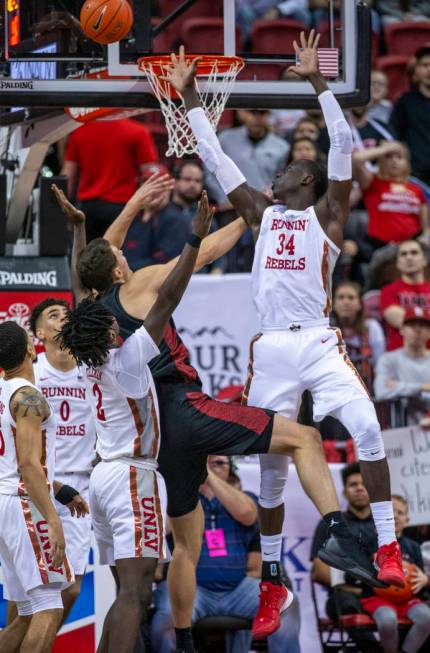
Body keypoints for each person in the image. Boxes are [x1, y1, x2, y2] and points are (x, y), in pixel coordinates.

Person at [54, 176, 379, 653]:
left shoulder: (90, 313)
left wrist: (83, 228)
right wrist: (249, 222)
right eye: (120, 255)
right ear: (119, 272)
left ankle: (183, 639)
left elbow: (87, 267)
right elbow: (193, 264)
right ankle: (337, 532)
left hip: (148, 449)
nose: (124, 253)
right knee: (305, 439)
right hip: (180, 415)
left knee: (185, 544)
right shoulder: (140, 290)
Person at [166, 34, 405, 639]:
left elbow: (345, 142)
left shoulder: (325, 217)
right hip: (272, 347)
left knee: (370, 427)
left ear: (308, 181)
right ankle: (272, 577)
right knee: (270, 471)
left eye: (293, 167)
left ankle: (386, 546)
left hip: (320, 342)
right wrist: (191, 96)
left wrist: (316, 83)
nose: (283, 168)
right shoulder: (261, 213)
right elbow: (218, 161)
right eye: (284, 167)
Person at [57, 192, 214, 653]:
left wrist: (78, 233)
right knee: (137, 592)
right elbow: (168, 295)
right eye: (108, 324)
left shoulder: (89, 352)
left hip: (104, 478)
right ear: (105, 334)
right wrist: (194, 237)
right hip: (132, 476)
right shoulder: (126, 357)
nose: (114, 323)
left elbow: (81, 294)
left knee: (124, 592)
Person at [150, 455, 301, 653]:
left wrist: (208, 474)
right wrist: (189, 482)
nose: (211, 466)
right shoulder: (181, 498)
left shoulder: (246, 498)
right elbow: (163, 528)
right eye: (206, 462)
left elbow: (248, 514)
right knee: (164, 620)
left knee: (286, 604)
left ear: (231, 469)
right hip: (193, 592)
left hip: (238, 590)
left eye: (219, 463)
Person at [0, 322, 74, 653]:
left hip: (5, 501)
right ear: (32, 348)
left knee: (27, 615)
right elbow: (28, 465)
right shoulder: (27, 395)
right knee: (50, 607)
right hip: (21, 503)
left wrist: (58, 488)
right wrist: (54, 520)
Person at [29, 298, 97, 622]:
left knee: (70, 588)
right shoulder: (32, 375)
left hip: (80, 484)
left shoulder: (92, 368)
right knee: (32, 589)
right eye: (53, 315)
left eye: (66, 314)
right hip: (39, 484)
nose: (62, 319)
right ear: (39, 332)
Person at [311, 463, 380, 652]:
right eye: (353, 484)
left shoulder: (386, 524)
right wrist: (357, 588)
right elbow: (319, 570)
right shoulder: (330, 524)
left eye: (364, 484)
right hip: (344, 597)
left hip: (385, 596)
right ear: (344, 492)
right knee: (345, 604)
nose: (359, 488)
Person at [61, 118, 159, 241]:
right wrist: (149, 207)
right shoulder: (137, 131)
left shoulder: (79, 132)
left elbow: (68, 176)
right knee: (120, 255)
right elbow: (150, 174)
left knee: (87, 257)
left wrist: (63, 210)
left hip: (88, 208)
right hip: (122, 207)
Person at [123, 161, 226, 273]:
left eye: (197, 181)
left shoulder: (181, 218)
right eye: (187, 179)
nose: (192, 184)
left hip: (189, 281)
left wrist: (217, 272)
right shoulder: (135, 216)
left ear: (169, 186)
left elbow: (165, 261)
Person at [360, 494, 430, 653]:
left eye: (400, 513)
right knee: (387, 620)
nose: (395, 517)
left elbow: (419, 573)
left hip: (407, 599)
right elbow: (357, 573)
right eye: (391, 513)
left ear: (407, 520)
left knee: (427, 617)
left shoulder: (413, 546)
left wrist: (425, 580)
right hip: (377, 597)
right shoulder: (370, 543)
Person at [352, 141, 429, 251]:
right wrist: (385, 149)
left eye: (399, 157)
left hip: (410, 247)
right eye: (389, 156)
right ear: (381, 161)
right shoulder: (372, 182)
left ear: (407, 163)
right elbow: (356, 160)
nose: (394, 160)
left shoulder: (417, 189)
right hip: (379, 246)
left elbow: (426, 229)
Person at [204, 109, 289, 208]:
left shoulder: (282, 146)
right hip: (230, 207)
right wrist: (223, 199)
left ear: (269, 115)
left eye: (262, 113)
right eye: (252, 112)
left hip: (265, 208)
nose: (257, 118)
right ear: (244, 114)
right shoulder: (225, 138)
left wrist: (270, 199)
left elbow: (282, 180)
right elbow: (210, 172)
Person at [374, 307, 430, 423]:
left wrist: (400, 387)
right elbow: (381, 391)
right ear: (402, 329)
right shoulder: (388, 359)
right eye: (411, 325)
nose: (417, 330)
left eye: (422, 325)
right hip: (400, 431)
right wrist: (422, 387)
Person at [332, 281, 386, 393]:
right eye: (340, 297)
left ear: (360, 304)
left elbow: (380, 365)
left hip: (367, 392)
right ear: (333, 304)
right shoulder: (326, 330)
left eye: (351, 298)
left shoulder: (371, 327)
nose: (345, 302)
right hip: (335, 391)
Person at [380, 239, 430, 350]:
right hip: (399, 360)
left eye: (414, 252)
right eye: (403, 254)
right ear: (397, 263)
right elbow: (399, 320)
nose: (409, 257)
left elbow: (409, 320)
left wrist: (410, 314)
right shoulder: (388, 290)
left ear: (425, 260)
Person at [390, 47, 430, 185]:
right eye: (425, 65)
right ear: (416, 71)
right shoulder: (405, 102)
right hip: (414, 176)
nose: (429, 70)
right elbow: (394, 136)